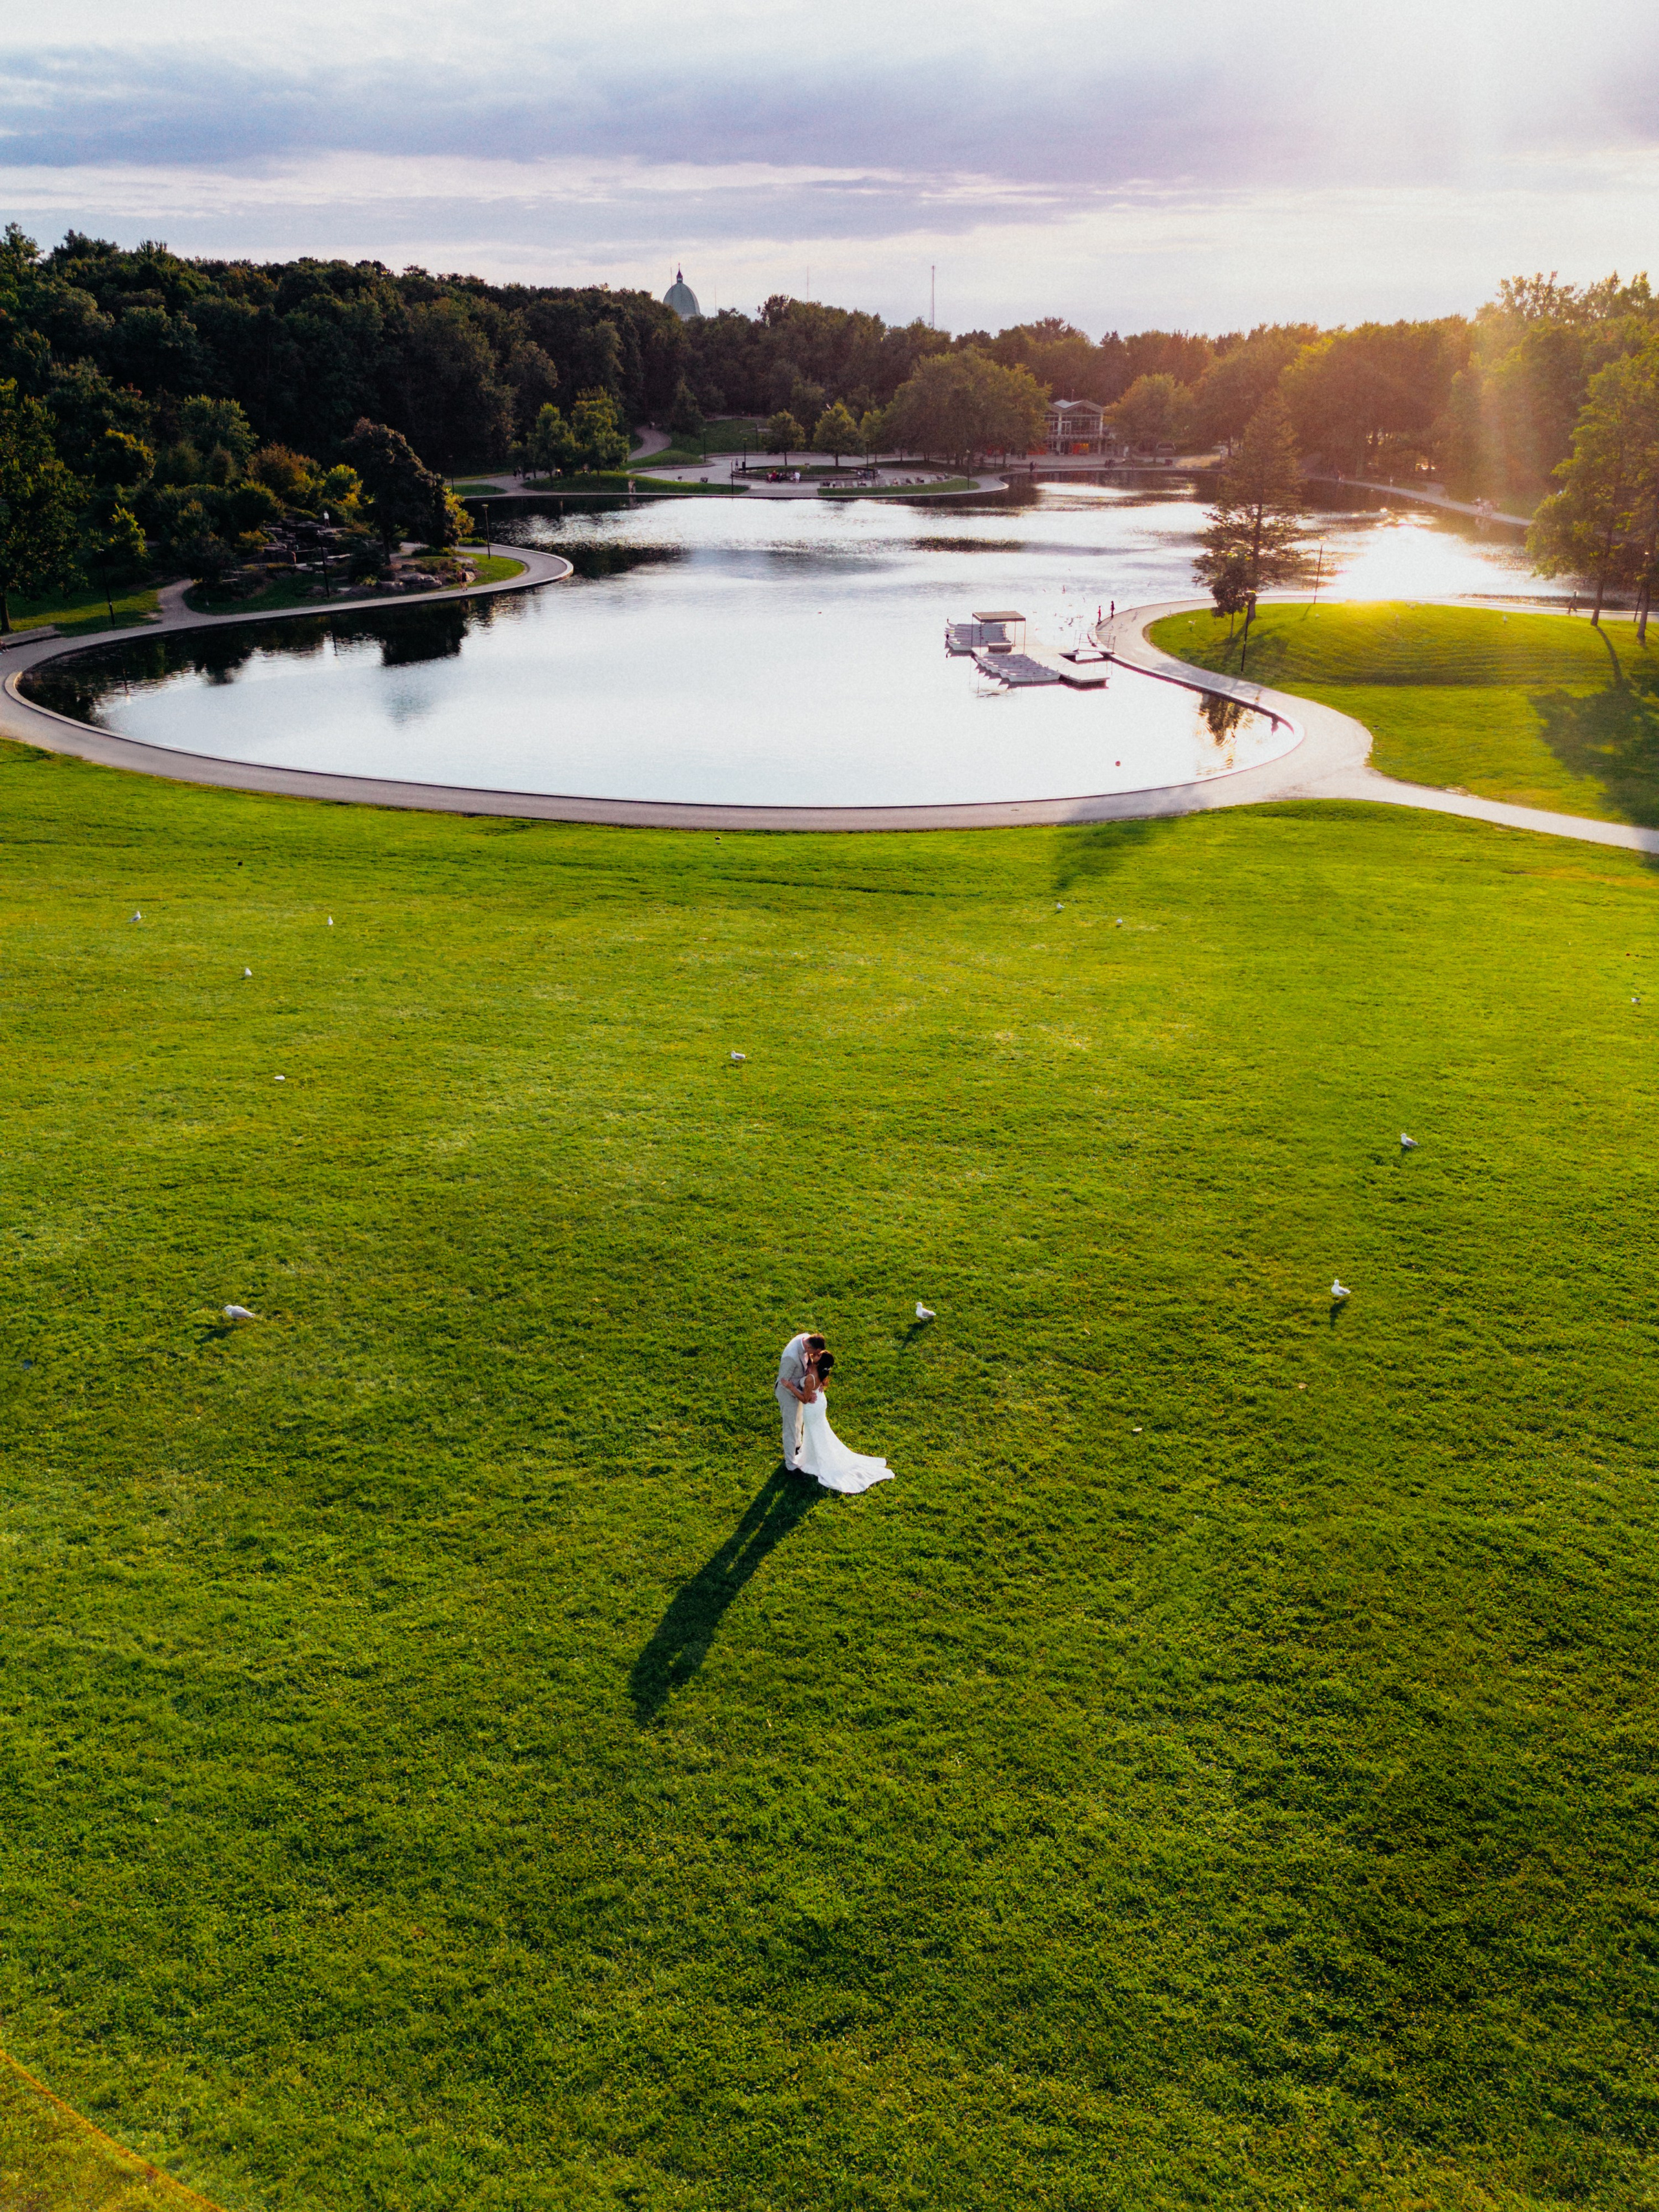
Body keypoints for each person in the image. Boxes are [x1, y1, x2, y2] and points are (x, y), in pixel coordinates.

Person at [796, 1351, 894, 1495]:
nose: (815, 1354)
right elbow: (813, 1368)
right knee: (819, 1431)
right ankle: (812, 1455)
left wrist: (790, 1386)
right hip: (819, 1402)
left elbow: (805, 1399)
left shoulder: (811, 1378)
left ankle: (815, 1459)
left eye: (818, 1355)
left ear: (819, 1362)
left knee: (815, 1432)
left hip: (812, 1407)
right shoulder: (817, 1369)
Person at [776, 1331, 826, 1471]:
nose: (816, 1356)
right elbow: (784, 1382)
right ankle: (790, 1463)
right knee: (790, 1427)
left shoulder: (805, 1338)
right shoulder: (790, 1357)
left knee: (799, 1420)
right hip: (787, 1393)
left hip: (799, 1388)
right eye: (816, 1353)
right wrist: (804, 1394)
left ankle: (797, 1445)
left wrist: (814, 1385)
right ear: (810, 1348)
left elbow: (810, 1363)